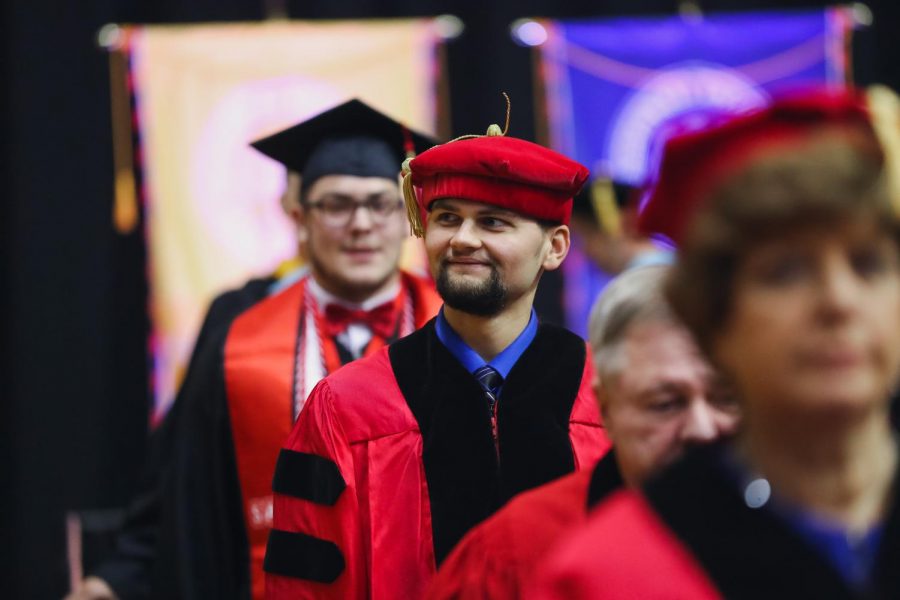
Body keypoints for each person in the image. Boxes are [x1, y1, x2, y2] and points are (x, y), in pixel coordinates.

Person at [67, 98, 441, 600]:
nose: (361, 224)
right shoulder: (237, 333)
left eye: (381, 203)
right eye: (335, 204)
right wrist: (116, 580)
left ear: (409, 219)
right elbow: (182, 481)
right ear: (298, 217)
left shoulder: (457, 327)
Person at [534, 86, 900, 598]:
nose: (839, 301)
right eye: (786, 272)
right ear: (710, 317)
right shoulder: (615, 575)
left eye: (869, 264)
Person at [264, 117, 611, 598]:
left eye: (493, 221)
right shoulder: (347, 407)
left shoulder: (608, 396)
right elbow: (303, 586)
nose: (463, 238)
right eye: (447, 217)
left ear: (554, 248)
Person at [424, 264, 740, 600]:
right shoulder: (518, 552)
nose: (703, 429)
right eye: (665, 404)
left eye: (727, 399)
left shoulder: (795, 523)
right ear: (606, 408)